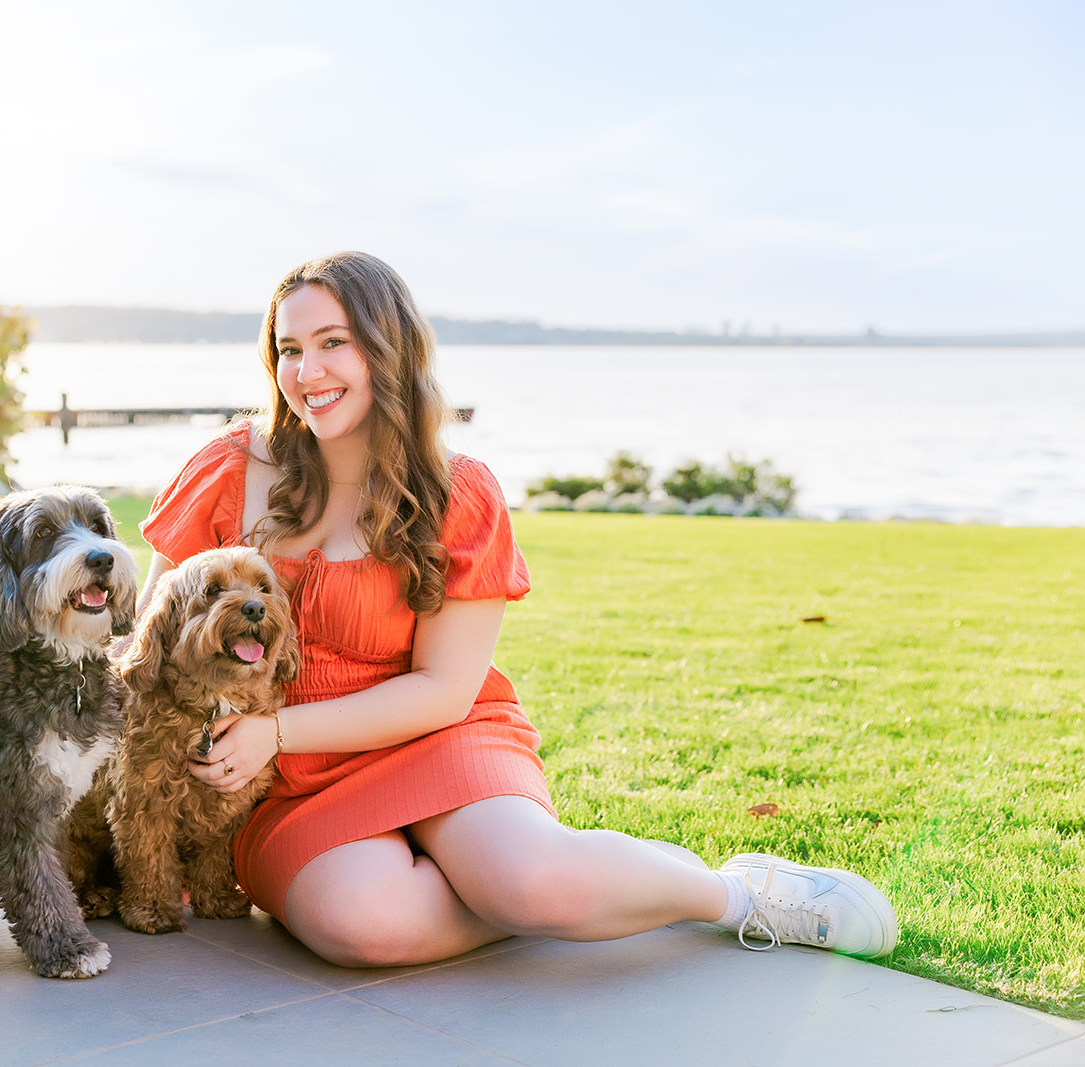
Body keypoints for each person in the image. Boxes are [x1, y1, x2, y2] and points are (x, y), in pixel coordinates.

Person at [135, 251, 897, 968]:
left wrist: (279, 727)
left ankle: (735, 893)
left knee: (533, 879)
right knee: (361, 924)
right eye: (290, 348)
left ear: (387, 348)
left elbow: (444, 690)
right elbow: (146, 646)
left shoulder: (456, 490)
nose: (308, 371)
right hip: (274, 778)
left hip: (432, 734)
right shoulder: (228, 468)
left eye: (334, 341)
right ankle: (572, 887)